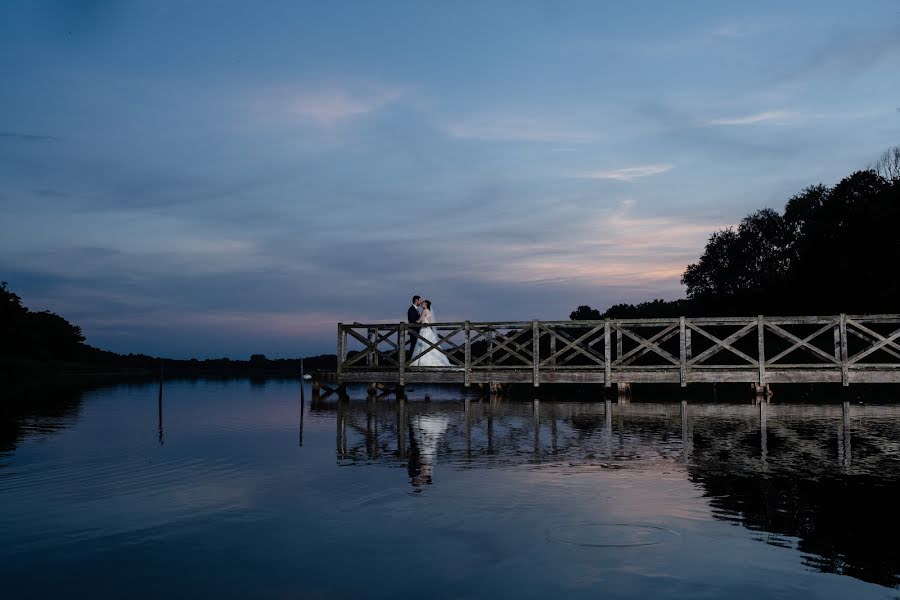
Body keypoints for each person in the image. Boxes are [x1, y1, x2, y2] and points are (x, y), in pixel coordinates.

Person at [409, 300, 452, 367]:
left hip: (424, 330)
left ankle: (422, 363)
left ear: (425, 304)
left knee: (423, 345)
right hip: (429, 330)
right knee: (430, 345)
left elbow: (419, 320)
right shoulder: (429, 311)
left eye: (422, 303)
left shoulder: (424, 310)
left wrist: (413, 323)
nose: (421, 304)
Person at [407, 295, 422, 359]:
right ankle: (409, 362)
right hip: (414, 331)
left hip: (416, 331)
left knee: (415, 347)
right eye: (420, 300)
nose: (420, 302)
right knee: (413, 347)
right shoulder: (411, 309)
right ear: (416, 300)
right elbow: (413, 320)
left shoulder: (416, 309)